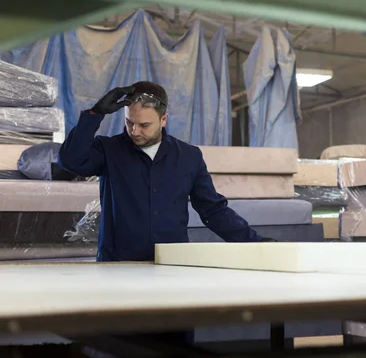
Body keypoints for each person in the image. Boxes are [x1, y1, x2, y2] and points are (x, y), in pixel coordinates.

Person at [58, 81, 274, 262]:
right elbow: (70, 161)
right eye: (129, 123)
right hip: (117, 265)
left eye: (144, 125)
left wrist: (254, 242)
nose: (135, 131)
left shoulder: (189, 157)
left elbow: (213, 209)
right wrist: (95, 114)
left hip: (171, 265)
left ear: (163, 120)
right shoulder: (108, 150)